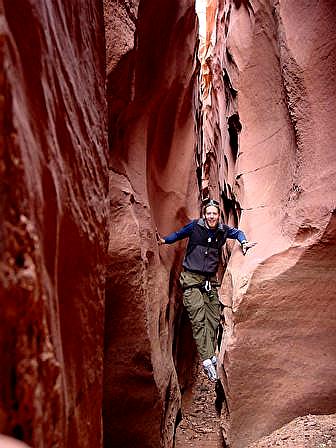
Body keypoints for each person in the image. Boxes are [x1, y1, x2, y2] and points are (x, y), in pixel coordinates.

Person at [157, 199, 255, 382]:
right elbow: (178, 235)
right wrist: (163, 240)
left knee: (212, 318)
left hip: (209, 281)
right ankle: (207, 361)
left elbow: (239, 232)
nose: (211, 216)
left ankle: (210, 354)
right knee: (198, 319)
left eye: (214, 214)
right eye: (208, 213)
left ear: (218, 216)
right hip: (191, 280)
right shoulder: (195, 227)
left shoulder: (222, 231)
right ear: (204, 215)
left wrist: (243, 242)